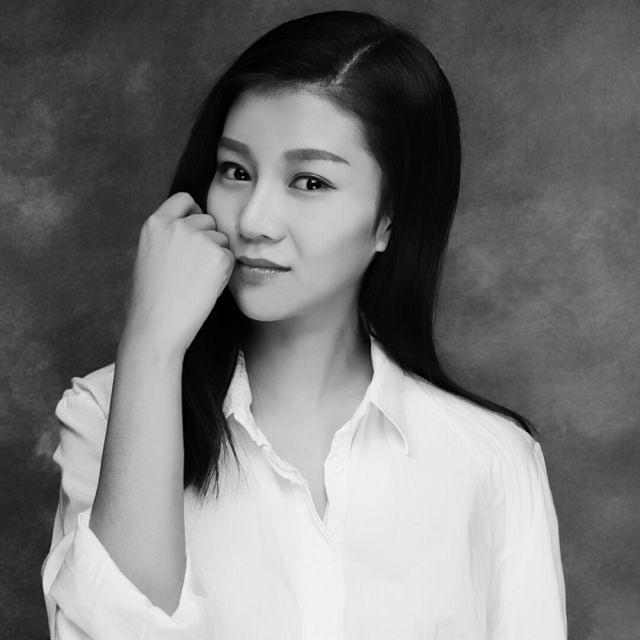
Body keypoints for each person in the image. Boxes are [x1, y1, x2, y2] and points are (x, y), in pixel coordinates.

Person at [41, 9, 567, 639]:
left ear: (390, 219)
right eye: (236, 171)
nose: (253, 220)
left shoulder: (493, 460)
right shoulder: (106, 414)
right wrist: (151, 348)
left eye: (310, 181)